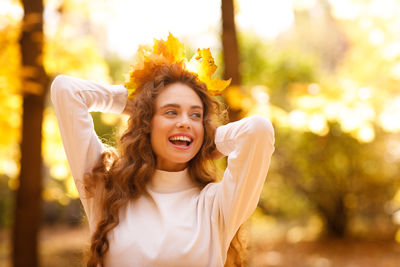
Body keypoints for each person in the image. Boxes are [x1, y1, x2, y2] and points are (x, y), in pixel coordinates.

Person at [51, 35, 275, 267]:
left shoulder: (215, 205)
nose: (185, 122)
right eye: (171, 112)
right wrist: (138, 106)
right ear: (147, 122)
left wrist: (208, 140)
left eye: (195, 115)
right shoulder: (106, 189)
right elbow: (66, 91)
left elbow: (259, 130)